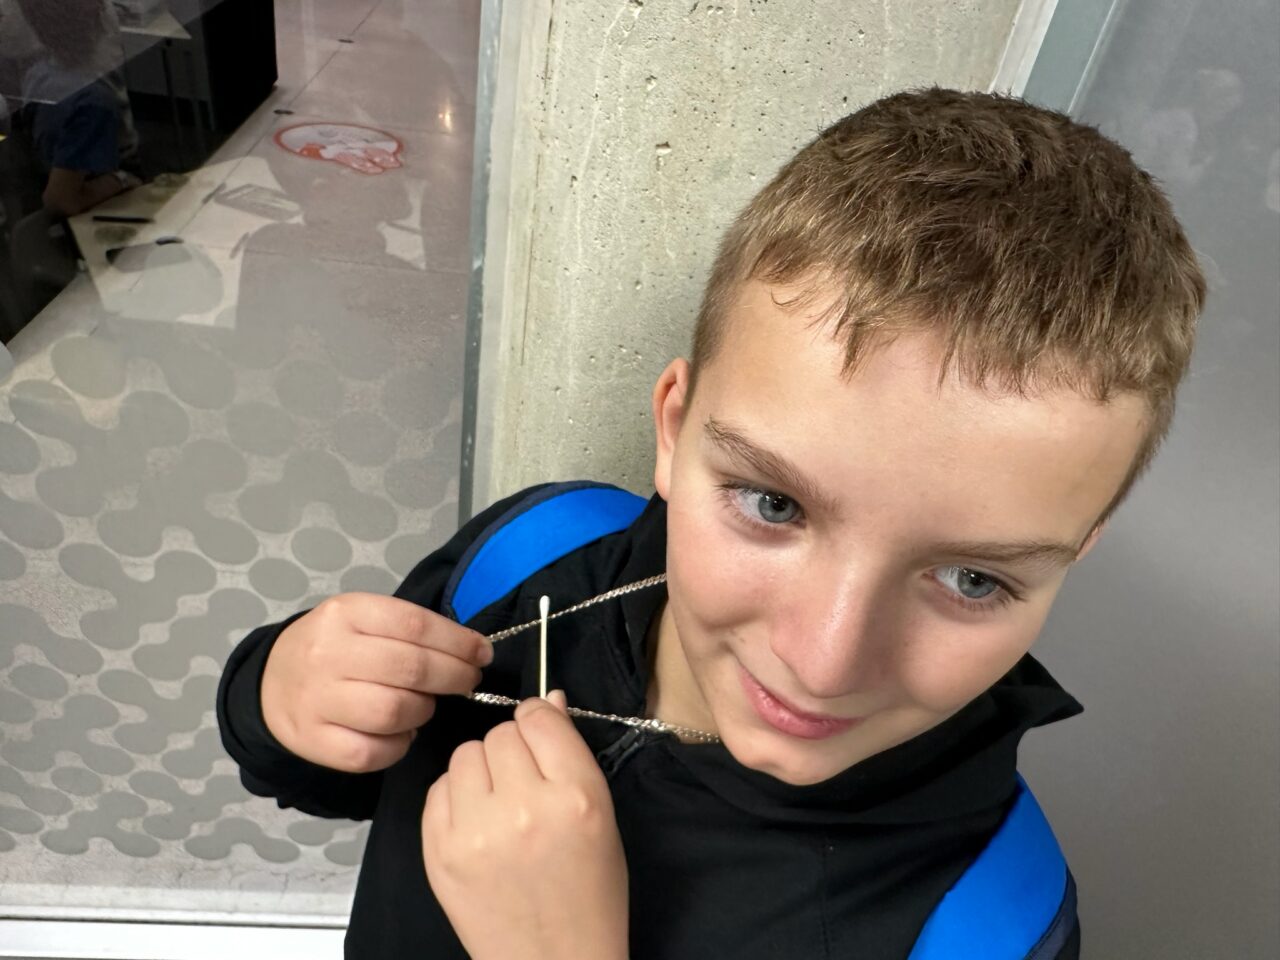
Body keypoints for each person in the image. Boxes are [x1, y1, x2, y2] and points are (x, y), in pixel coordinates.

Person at [217, 88, 1205, 959]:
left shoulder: (987, 928)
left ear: (1072, 556)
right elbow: (334, 771)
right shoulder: (534, 551)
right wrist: (276, 693)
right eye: (772, 505)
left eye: (971, 580)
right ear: (673, 426)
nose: (823, 663)